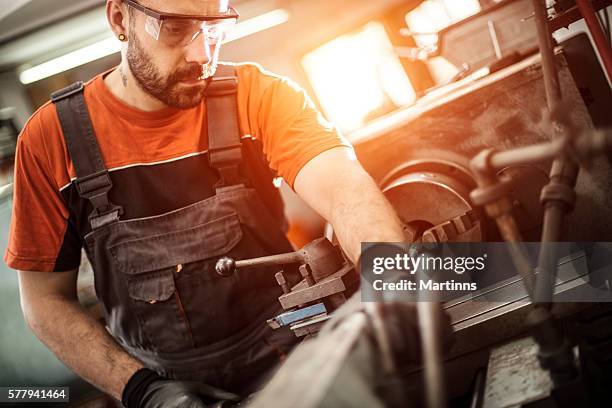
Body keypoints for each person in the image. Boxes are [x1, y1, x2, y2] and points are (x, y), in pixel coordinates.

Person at [5, 0, 406, 406]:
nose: (202, 54)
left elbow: (346, 193)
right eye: (176, 29)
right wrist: (141, 389)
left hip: (296, 356)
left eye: (214, 29)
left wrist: (395, 287)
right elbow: (44, 301)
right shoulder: (50, 142)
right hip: (162, 384)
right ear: (120, 20)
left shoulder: (259, 96)